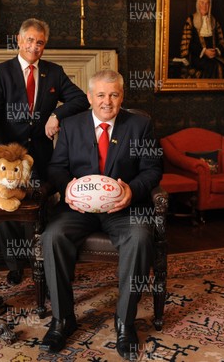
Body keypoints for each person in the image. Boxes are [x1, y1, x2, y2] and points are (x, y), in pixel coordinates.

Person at [39, 69, 162, 360]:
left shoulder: (140, 125)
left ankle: (125, 322)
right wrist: (67, 187)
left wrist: (132, 190)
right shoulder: (71, 125)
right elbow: (57, 167)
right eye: (101, 95)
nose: (107, 101)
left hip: (124, 208)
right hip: (79, 209)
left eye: (114, 95)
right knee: (52, 236)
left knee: (141, 237)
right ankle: (62, 320)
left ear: (122, 96)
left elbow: (153, 169)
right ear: (90, 97)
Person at [0, 18, 89, 284]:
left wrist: (56, 114)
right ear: (18, 40)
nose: (34, 46)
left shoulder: (53, 72)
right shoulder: (1, 72)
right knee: (8, 206)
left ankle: (44, 262)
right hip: (9, 155)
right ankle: (15, 265)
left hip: (41, 153)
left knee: (39, 205)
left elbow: (80, 99)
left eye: (40, 42)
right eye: (29, 40)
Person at [179, 0, 224, 79]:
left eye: (207, 3)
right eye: (202, 3)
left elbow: (221, 41)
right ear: (198, 4)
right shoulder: (191, 20)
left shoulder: (214, 21)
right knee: (214, 66)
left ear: (210, 6)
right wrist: (204, 51)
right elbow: (188, 44)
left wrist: (216, 50)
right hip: (197, 57)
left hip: (214, 56)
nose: (204, 6)